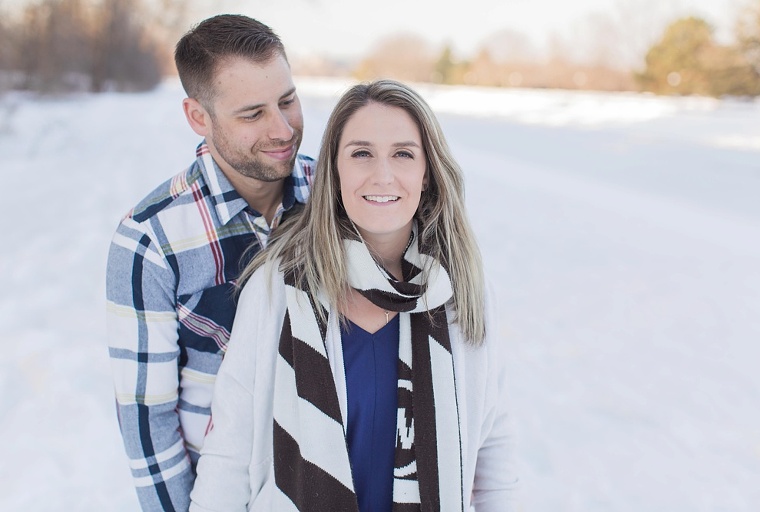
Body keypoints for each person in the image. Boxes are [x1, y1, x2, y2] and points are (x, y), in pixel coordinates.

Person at [189, 79, 518, 512]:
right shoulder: (277, 289)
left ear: (427, 173)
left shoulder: (462, 292)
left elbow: (493, 453)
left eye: (403, 153)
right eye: (361, 153)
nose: (382, 175)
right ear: (335, 170)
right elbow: (228, 456)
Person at [105, 15, 314, 512]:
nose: (283, 129)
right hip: (225, 492)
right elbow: (148, 421)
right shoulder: (150, 241)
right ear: (198, 116)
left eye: (287, 101)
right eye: (252, 114)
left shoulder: (338, 197)